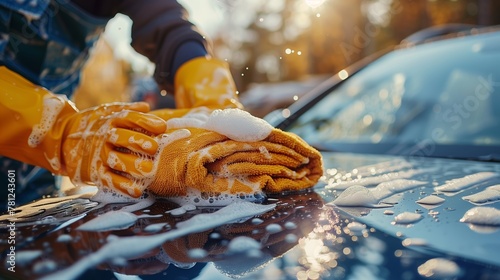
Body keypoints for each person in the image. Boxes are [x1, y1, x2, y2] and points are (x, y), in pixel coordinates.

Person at [0, 0, 243, 208]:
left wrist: (196, 68)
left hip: (38, 179)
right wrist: (59, 132)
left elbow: (162, 16)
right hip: (47, 147)